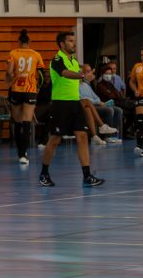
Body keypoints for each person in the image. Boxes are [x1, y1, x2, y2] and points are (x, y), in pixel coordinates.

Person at [40, 31, 105, 188]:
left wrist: (85, 74)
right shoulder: (57, 59)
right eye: (70, 41)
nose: (73, 44)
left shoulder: (74, 60)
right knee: (55, 140)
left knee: (82, 137)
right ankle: (44, 173)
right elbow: (65, 73)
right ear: (62, 44)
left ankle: (87, 176)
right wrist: (82, 76)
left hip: (75, 103)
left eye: (74, 41)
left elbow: (76, 73)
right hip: (60, 104)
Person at [6, 28, 44, 165]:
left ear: (18, 41)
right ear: (29, 42)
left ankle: (20, 153)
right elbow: (41, 75)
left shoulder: (13, 53)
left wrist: (9, 80)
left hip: (16, 89)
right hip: (30, 90)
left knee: (17, 123)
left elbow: (9, 72)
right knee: (27, 122)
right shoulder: (36, 54)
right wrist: (37, 88)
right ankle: (24, 154)